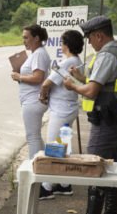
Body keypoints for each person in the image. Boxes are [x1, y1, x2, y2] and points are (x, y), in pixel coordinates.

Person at [63, 15, 117, 214]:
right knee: (110, 169)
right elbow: (104, 84)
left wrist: (72, 85)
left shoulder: (106, 56)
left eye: (90, 38)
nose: (89, 43)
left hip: (106, 121)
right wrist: (81, 77)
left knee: (95, 170)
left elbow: (92, 91)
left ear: (99, 35)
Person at [38, 30, 84, 199]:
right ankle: (64, 184)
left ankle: (46, 187)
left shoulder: (68, 62)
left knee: (53, 147)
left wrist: (43, 95)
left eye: (62, 42)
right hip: (69, 108)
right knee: (64, 145)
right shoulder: (75, 60)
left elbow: (47, 83)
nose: (60, 45)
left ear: (66, 44)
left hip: (61, 110)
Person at [11, 24, 50, 160]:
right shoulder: (36, 53)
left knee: (32, 137)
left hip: (33, 101)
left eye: (27, 38)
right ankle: (43, 166)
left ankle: (33, 170)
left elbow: (38, 77)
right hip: (31, 100)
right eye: (23, 38)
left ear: (36, 38)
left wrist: (19, 77)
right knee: (35, 136)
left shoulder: (39, 54)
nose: (24, 41)